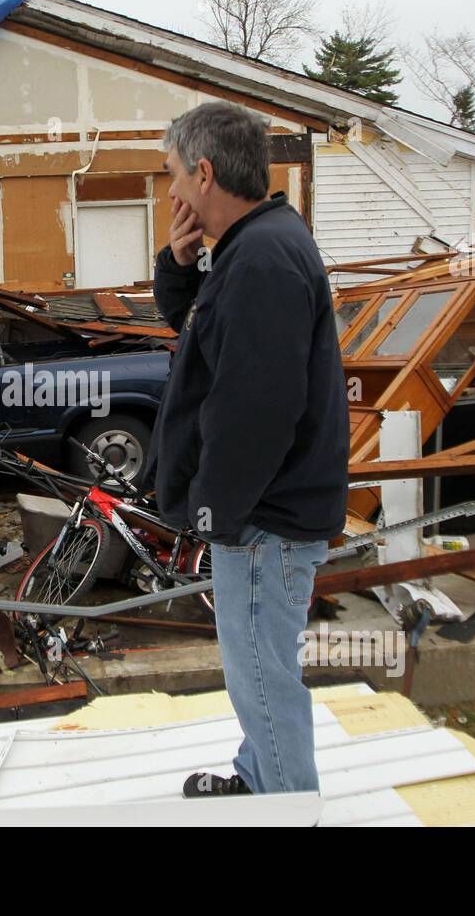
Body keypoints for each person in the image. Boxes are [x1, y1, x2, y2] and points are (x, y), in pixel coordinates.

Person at [147, 101, 349, 797]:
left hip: (267, 517)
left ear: (203, 173)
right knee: (256, 669)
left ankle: (288, 807)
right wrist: (179, 265)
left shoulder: (262, 260)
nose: (171, 194)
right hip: (264, 513)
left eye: (174, 176)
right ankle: (260, 780)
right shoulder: (251, 248)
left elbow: (257, 411)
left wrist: (215, 513)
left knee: (263, 675)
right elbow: (204, 337)